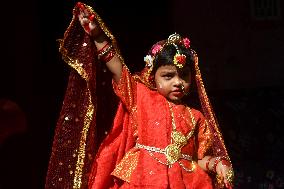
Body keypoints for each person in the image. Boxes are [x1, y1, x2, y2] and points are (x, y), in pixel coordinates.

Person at [45, 2, 234, 189]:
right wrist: (97, 35)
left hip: (186, 183)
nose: (178, 82)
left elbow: (195, 160)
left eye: (184, 76)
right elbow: (118, 69)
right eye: (168, 76)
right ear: (153, 76)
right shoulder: (141, 96)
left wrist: (216, 164)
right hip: (143, 179)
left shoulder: (196, 117)